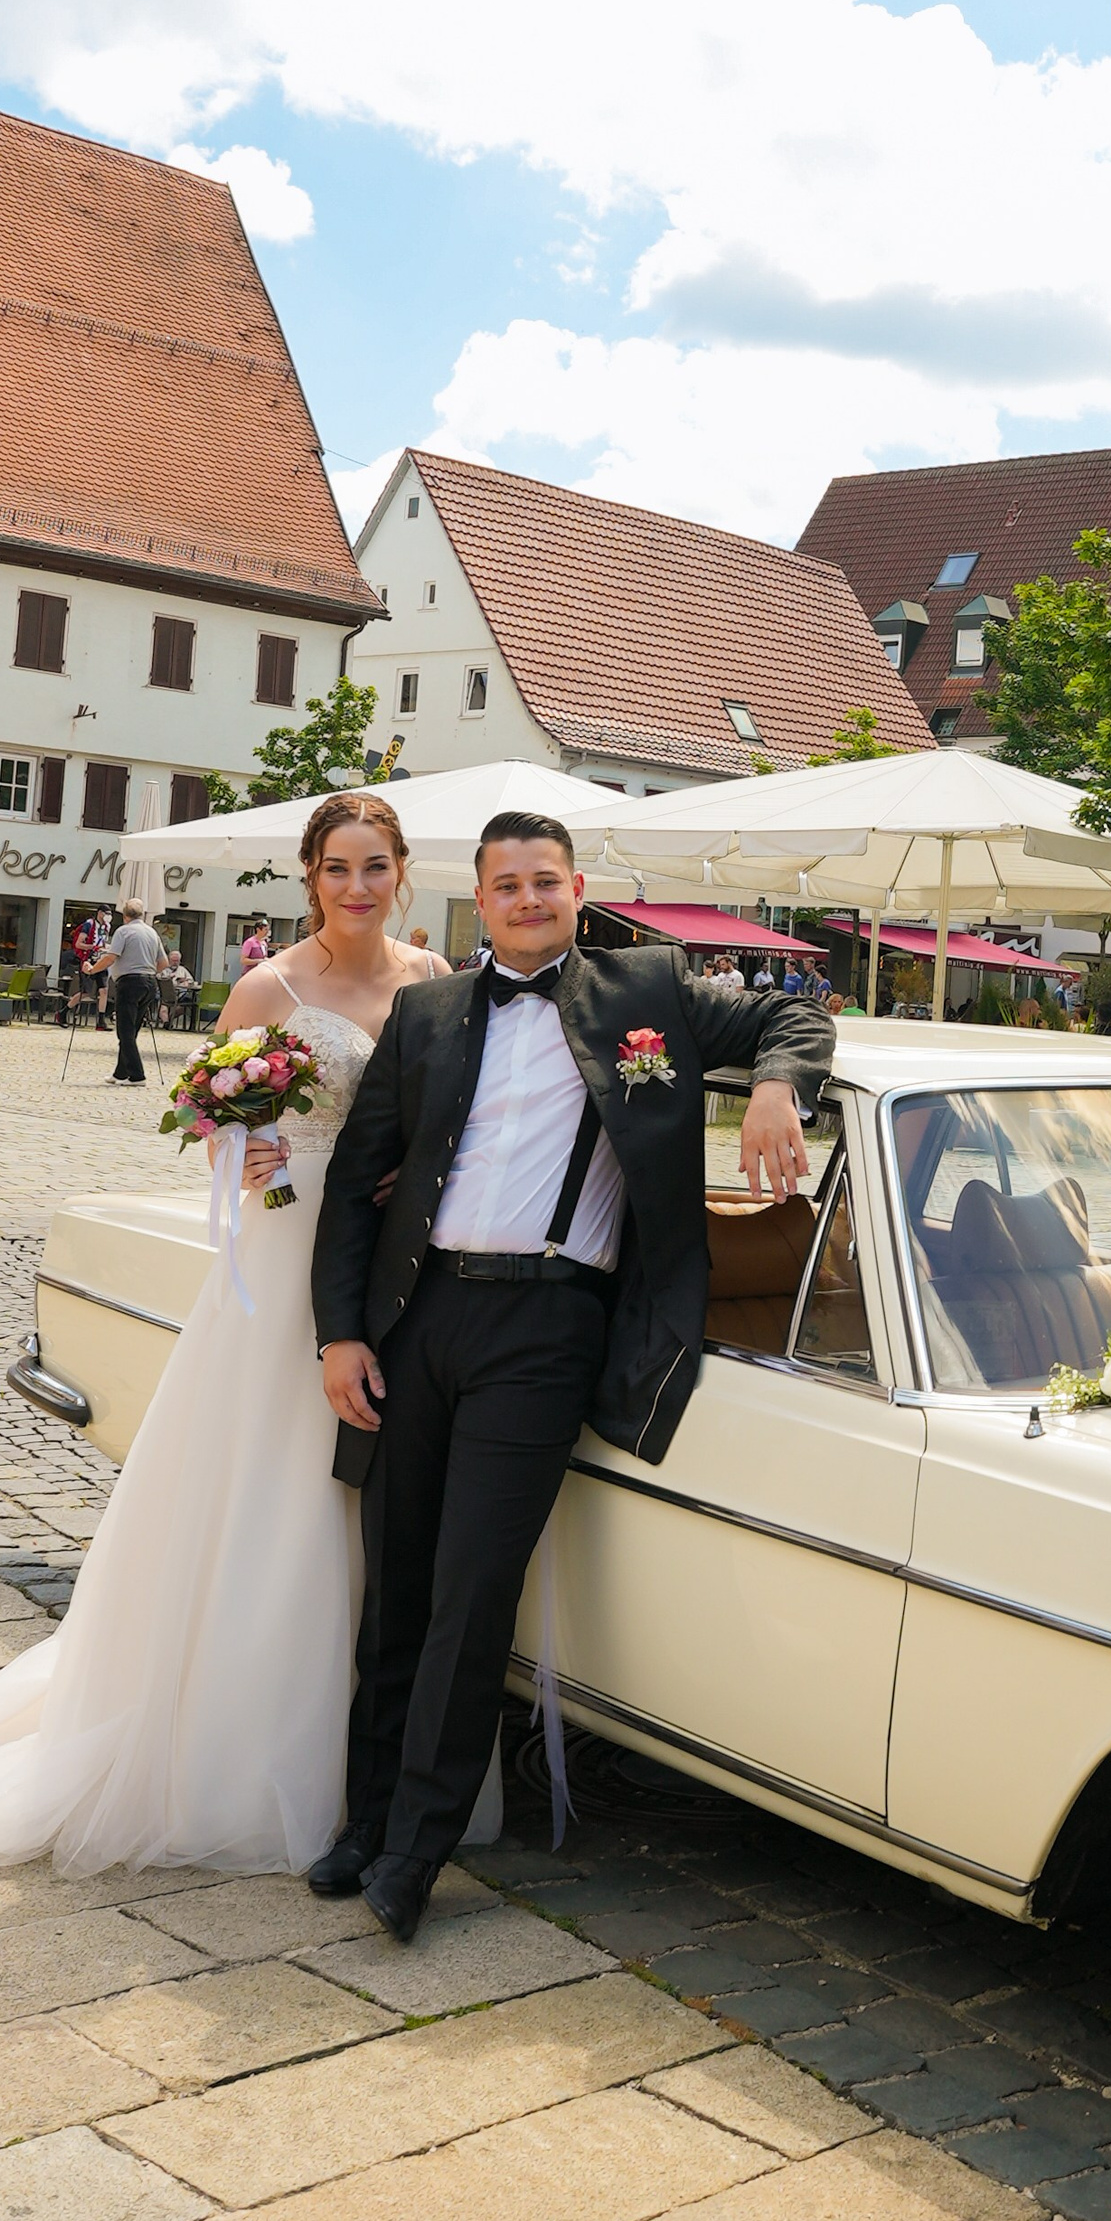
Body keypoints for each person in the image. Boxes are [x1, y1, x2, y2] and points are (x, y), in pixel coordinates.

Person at [0, 796, 449, 1873]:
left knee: (375, 1487)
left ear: (404, 871)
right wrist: (246, 1154)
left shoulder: (435, 980)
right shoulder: (271, 985)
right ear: (310, 874)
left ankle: (374, 1715)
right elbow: (214, 1115)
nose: (358, 884)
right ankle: (243, 1726)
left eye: (377, 865)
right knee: (277, 1474)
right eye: (339, 865)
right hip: (286, 1244)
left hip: (401, 1260)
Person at [310, 809, 832, 1942]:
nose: (528, 898)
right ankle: (363, 1819)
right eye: (507, 884)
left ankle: (415, 1850)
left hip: (549, 1327)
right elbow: (359, 1177)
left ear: (576, 886)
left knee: (470, 1590)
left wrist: (779, 1086)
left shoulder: (647, 988)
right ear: (481, 898)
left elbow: (795, 1008)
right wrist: (338, 1333)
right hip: (418, 1315)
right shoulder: (430, 1008)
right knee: (394, 1582)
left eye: (546, 880)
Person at [105, 898, 166, 1083]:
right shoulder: (152, 933)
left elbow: (111, 957)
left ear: (125, 916)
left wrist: (92, 969)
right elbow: (163, 963)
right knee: (132, 1030)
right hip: (149, 982)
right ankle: (120, 1073)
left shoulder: (123, 932)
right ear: (142, 915)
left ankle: (137, 1075)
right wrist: (147, 971)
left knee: (124, 1031)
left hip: (129, 983)